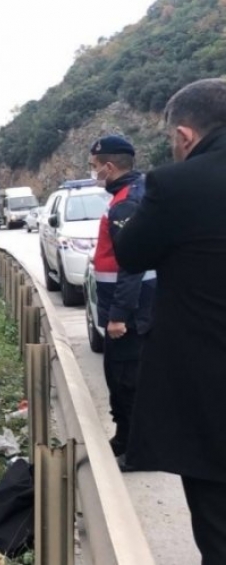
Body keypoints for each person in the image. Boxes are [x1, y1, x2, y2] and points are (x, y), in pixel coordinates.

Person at [114, 78, 226, 564]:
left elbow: (132, 252)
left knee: (218, 525)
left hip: (209, 386)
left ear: (184, 136)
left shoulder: (178, 183)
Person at [87, 136, 154, 471]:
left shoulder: (126, 203)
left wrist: (118, 316)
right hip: (129, 307)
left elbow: (132, 263)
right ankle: (124, 437)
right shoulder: (129, 195)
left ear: (109, 167)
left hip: (128, 310)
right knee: (119, 376)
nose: (94, 172)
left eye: (95, 166)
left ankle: (140, 449)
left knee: (128, 381)